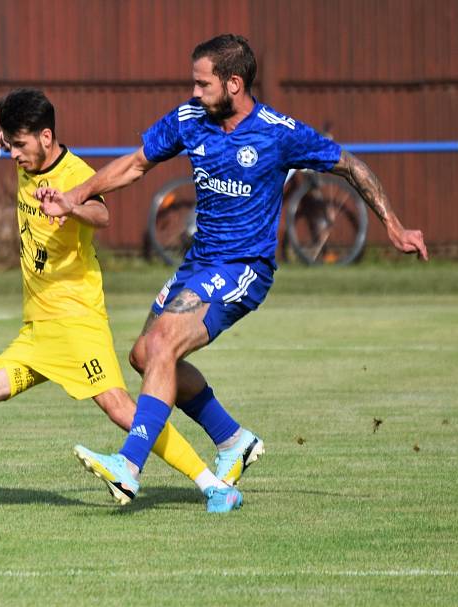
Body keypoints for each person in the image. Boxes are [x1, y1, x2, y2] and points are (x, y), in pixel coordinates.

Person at [35, 34, 428, 508]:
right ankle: (232, 440)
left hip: (243, 267)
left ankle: (128, 465)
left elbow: (350, 166)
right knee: (145, 355)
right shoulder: (189, 119)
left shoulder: (278, 133)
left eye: (203, 84)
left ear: (234, 83)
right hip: (197, 263)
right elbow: (136, 165)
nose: (195, 92)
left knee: (162, 344)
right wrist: (77, 195)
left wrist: (396, 226)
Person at [0, 88, 242, 513]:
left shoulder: (74, 175)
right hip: (36, 332)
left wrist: (71, 207)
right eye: (9, 144)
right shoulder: (27, 155)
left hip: (76, 323)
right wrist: (8, 140)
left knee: (122, 410)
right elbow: (18, 145)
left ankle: (213, 485)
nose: (14, 155)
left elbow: (102, 215)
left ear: (45, 137)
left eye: (19, 145)